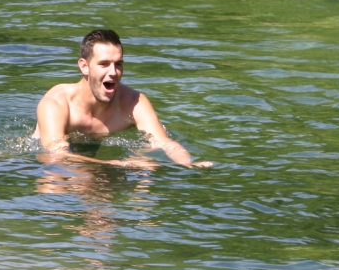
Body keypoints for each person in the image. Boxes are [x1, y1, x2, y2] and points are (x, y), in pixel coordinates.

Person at [36, 29, 209, 167]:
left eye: (118, 64)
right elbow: (56, 157)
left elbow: (164, 142)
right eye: (104, 64)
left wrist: (188, 164)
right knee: (54, 182)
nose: (113, 72)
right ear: (84, 66)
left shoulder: (134, 103)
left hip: (104, 159)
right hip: (54, 161)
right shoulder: (57, 104)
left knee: (146, 169)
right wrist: (115, 164)